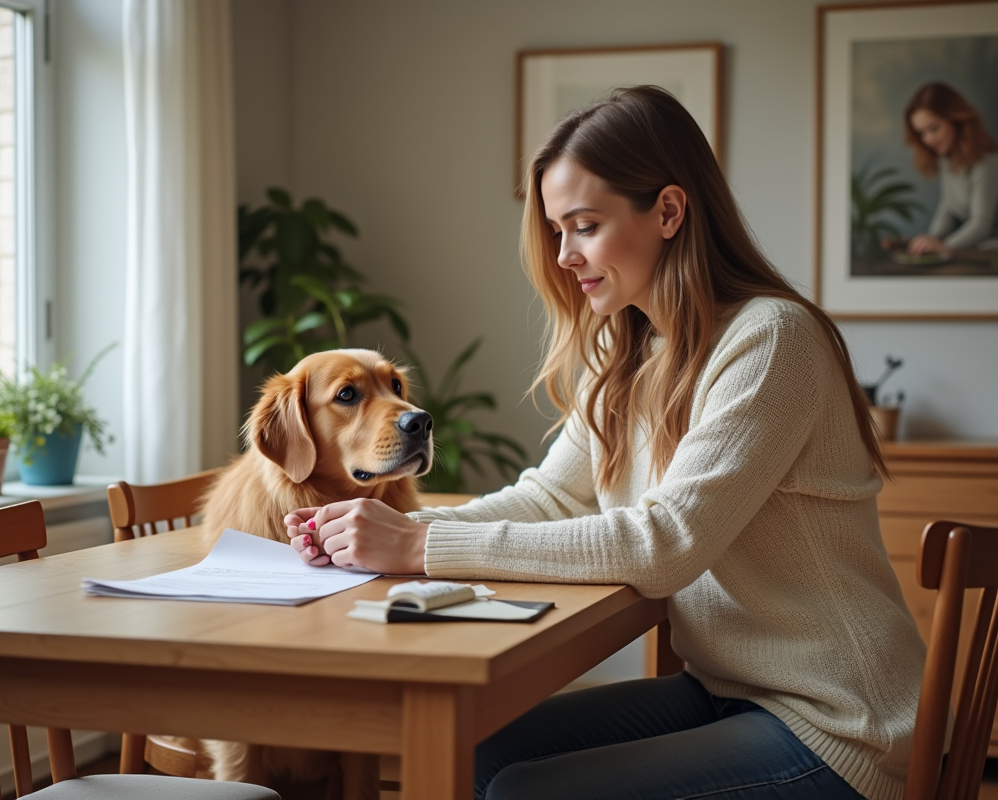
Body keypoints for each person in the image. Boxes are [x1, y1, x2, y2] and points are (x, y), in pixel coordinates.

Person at [285, 86, 926, 800]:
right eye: (558, 230)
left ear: (670, 212)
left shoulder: (770, 340)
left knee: (526, 791)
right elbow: (552, 497)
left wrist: (416, 547)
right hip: (727, 689)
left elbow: (667, 543)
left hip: (838, 725)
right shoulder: (628, 353)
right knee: (476, 748)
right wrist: (397, 528)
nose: (563, 255)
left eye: (584, 226)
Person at [900, 81, 998, 257]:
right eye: (921, 133)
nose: (928, 140)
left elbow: (981, 224)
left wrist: (944, 246)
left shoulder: (986, 160)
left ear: (956, 119)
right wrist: (930, 240)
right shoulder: (946, 159)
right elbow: (948, 207)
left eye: (934, 128)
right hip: (976, 249)